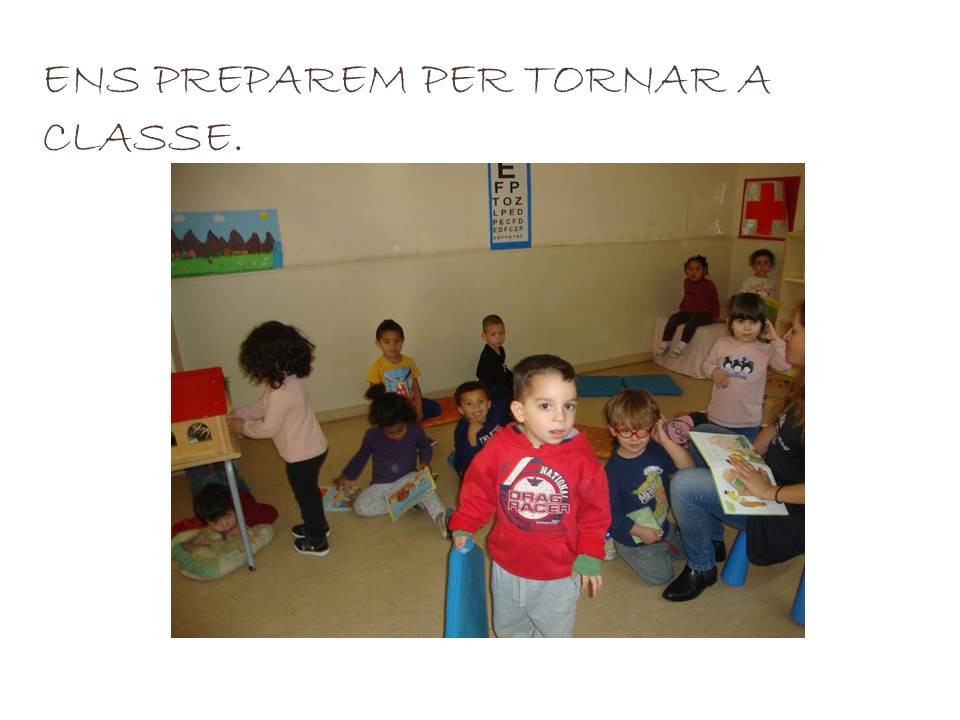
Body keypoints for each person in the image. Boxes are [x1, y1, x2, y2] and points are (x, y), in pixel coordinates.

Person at [449, 354, 611, 638]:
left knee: (553, 633)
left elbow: (595, 510)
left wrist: (589, 551)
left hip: (558, 573)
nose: (561, 417)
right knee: (508, 629)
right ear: (519, 411)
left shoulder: (581, 457)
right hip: (507, 566)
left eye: (569, 405)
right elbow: (479, 487)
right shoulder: (500, 447)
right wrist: (466, 521)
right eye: (546, 405)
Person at [663, 302, 805, 602]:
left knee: (684, 485)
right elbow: (777, 425)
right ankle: (712, 533)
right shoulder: (805, 384)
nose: (786, 335)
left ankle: (701, 567)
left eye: (794, 330)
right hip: (768, 474)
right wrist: (748, 452)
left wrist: (770, 491)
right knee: (704, 434)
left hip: (786, 511)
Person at [226, 321, 332, 557]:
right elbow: (262, 405)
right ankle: (319, 526)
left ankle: (318, 541)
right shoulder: (290, 378)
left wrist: (243, 427)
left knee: (307, 498)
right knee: (310, 494)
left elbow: (267, 429)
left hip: (301, 456)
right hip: (313, 447)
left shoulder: (281, 393)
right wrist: (240, 414)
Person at [603, 390, 694, 585]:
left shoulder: (656, 449)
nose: (634, 438)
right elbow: (608, 514)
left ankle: (666, 538)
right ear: (613, 430)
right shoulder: (612, 472)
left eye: (642, 430)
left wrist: (666, 441)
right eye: (625, 431)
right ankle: (617, 544)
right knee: (662, 577)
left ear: (653, 427)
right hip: (633, 537)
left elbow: (688, 469)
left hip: (662, 525)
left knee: (690, 550)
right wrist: (639, 531)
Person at [335, 384, 449, 534]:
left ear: (406, 419)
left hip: (408, 479)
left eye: (400, 430)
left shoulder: (414, 429)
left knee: (428, 492)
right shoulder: (372, 435)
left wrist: (425, 462)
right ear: (380, 426)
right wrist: (345, 476)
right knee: (359, 507)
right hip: (381, 485)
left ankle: (441, 516)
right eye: (390, 433)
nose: (396, 436)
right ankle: (411, 500)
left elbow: (424, 446)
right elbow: (360, 457)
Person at [695, 292, 791, 443]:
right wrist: (714, 372)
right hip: (718, 416)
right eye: (740, 321)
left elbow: (785, 365)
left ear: (764, 324)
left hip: (747, 422)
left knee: (744, 455)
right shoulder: (721, 344)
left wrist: (775, 339)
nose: (747, 328)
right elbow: (706, 364)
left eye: (753, 322)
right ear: (730, 322)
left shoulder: (766, 349)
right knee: (714, 451)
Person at [366, 319, 441, 420]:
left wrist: (418, 406)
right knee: (392, 419)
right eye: (387, 342)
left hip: (410, 402)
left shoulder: (409, 362)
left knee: (435, 408)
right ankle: (403, 419)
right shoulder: (376, 367)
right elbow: (376, 397)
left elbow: (415, 387)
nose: (393, 346)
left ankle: (410, 416)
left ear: (402, 341)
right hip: (392, 408)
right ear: (378, 343)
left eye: (397, 341)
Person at [656, 254, 720, 358]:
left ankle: (681, 347)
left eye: (697, 269)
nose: (693, 272)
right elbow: (687, 296)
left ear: (704, 270)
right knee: (674, 318)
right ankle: (665, 344)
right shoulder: (686, 282)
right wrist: (682, 307)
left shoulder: (709, 284)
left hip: (704, 314)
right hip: (689, 312)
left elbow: (714, 300)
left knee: (692, 322)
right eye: (690, 269)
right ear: (686, 270)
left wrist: (716, 316)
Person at [171, 480, 278, 538]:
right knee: (198, 475)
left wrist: (243, 522)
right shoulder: (206, 516)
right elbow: (176, 529)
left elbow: (272, 512)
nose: (224, 524)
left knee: (229, 474)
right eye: (216, 523)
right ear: (207, 522)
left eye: (228, 516)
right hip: (205, 488)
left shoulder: (241, 503)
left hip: (233, 488)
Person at [451, 381, 508, 479]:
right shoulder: (461, 431)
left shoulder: (496, 412)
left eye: (481, 401)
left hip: (495, 454)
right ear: (461, 410)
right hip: (471, 459)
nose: (476, 407)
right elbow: (470, 462)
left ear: (488, 404)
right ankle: (453, 458)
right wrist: (472, 436)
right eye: (469, 403)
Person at [475, 314, 514, 404]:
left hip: (500, 382)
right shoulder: (488, 355)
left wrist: (513, 376)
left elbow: (503, 368)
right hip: (491, 387)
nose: (498, 337)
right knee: (509, 394)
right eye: (493, 334)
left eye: (501, 333)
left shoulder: (500, 349)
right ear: (484, 337)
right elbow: (480, 373)